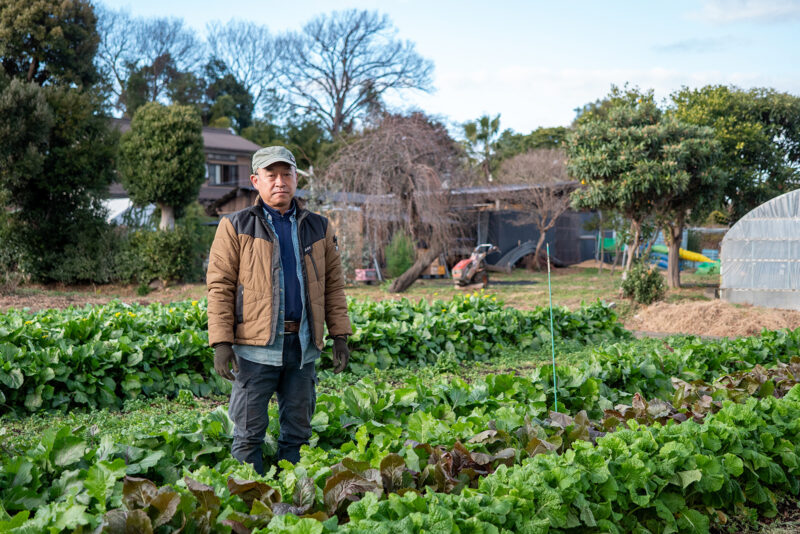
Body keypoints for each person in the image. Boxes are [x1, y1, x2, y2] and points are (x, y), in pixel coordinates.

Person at [206, 145, 352, 474]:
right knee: (248, 435)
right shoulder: (235, 225)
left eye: (287, 174)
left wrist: (340, 335)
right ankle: (250, 507)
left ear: (296, 178)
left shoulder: (320, 227)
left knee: (298, 435)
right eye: (271, 175)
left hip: (302, 348)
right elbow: (220, 287)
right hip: (256, 351)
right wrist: (221, 342)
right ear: (255, 180)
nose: (280, 182)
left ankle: (292, 501)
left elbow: (333, 286)